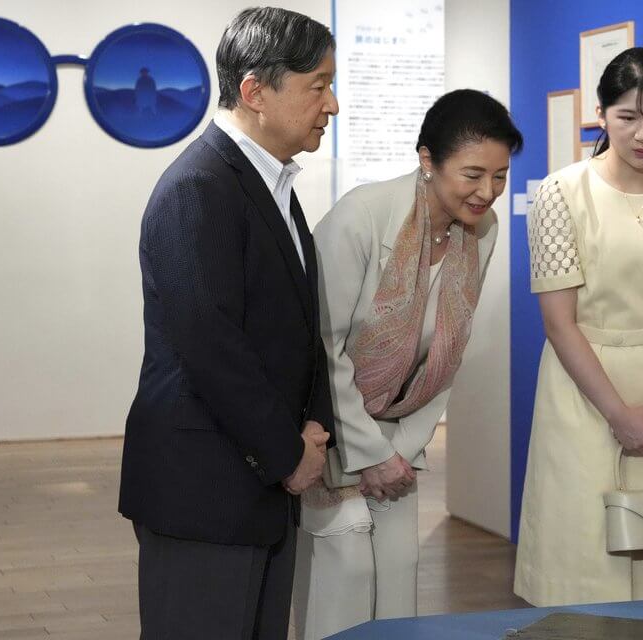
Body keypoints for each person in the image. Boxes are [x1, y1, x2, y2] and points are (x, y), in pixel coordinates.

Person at [118, 8, 337, 639]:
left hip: (260, 482)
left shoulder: (269, 184)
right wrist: (288, 453)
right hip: (207, 491)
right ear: (254, 92)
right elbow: (211, 348)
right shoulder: (200, 186)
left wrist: (313, 429)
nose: (333, 104)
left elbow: (298, 325)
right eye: (317, 85)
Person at [291, 89, 522, 640]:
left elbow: (445, 352)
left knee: (397, 583)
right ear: (427, 160)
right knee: (341, 582)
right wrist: (367, 451)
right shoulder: (362, 218)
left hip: (398, 442)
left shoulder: (481, 233)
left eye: (500, 175)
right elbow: (321, 349)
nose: (487, 192)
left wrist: (400, 450)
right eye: (472, 174)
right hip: (332, 430)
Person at [514, 47, 643, 606]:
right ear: (601, 115)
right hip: (584, 392)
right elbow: (559, 322)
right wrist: (621, 415)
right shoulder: (560, 193)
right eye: (628, 117)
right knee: (581, 557)